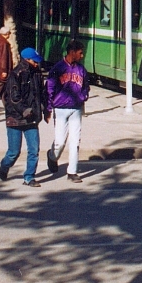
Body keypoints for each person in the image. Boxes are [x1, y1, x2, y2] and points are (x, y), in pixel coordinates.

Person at [0, 47, 50, 187]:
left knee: (34, 149)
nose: (36, 64)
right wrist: (24, 110)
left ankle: (29, 177)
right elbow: (13, 98)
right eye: (34, 61)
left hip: (32, 118)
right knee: (14, 152)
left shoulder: (38, 73)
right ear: (26, 59)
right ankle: (4, 166)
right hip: (15, 118)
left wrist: (45, 110)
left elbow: (42, 94)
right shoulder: (16, 74)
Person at [46, 40, 89, 183]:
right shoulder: (58, 68)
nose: (82, 55)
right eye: (80, 52)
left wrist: (83, 96)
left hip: (76, 108)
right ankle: (52, 156)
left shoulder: (81, 70)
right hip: (60, 109)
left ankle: (72, 171)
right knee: (60, 142)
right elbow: (49, 88)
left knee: (75, 141)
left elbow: (85, 86)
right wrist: (48, 108)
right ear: (72, 52)